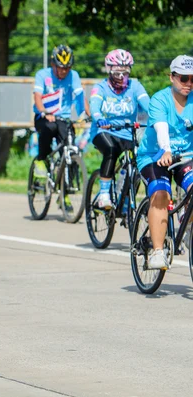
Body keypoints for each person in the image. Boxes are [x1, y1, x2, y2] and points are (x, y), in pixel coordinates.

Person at [136, 55, 193, 269]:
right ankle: (157, 251)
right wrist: (166, 150)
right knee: (161, 194)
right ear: (172, 77)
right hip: (154, 156)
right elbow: (161, 128)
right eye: (184, 78)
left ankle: (188, 228)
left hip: (185, 156)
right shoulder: (160, 100)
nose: (189, 84)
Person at [89, 49, 149, 209]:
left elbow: (148, 105)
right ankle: (104, 195)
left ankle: (126, 198)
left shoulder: (135, 86)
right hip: (104, 131)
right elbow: (94, 105)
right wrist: (99, 118)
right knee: (110, 150)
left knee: (138, 161)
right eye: (117, 73)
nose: (121, 77)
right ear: (109, 70)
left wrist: (157, 119)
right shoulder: (100, 87)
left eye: (125, 72)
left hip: (128, 133)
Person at [32, 45, 90, 178]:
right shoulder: (42, 75)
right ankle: (41, 160)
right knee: (49, 127)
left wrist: (91, 114)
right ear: (53, 64)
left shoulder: (73, 76)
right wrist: (44, 112)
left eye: (67, 68)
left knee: (70, 144)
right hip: (44, 116)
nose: (64, 71)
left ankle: (67, 187)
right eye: (61, 68)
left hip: (63, 118)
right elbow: (37, 96)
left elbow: (80, 96)